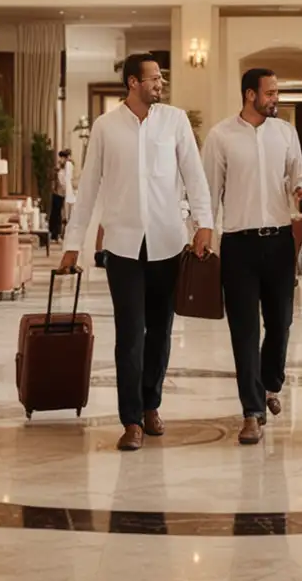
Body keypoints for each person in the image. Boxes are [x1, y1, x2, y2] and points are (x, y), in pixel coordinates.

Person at [59, 54, 214, 452]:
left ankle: (151, 405)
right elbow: (89, 186)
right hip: (123, 247)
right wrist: (73, 245)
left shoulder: (174, 120)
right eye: (153, 78)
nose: (160, 83)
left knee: (160, 331)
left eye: (160, 77)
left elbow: (194, 176)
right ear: (133, 83)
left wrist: (204, 225)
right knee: (130, 333)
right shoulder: (106, 127)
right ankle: (130, 421)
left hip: (166, 242)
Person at [203, 68, 302, 446]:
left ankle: (270, 384)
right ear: (250, 94)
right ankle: (252, 412)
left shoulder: (285, 133)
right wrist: (202, 235)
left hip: (280, 241)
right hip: (238, 245)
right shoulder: (220, 136)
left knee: (281, 323)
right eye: (270, 92)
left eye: (277, 91)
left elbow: (297, 173)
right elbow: (208, 193)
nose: (275, 98)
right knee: (245, 332)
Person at [49, 148, 74, 242]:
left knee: (61, 214)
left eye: (62, 157)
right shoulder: (59, 168)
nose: (61, 160)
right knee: (55, 213)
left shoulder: (68, 166)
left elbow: (66, 180)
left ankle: (58, 234)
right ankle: (53, 234)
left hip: (62, 193)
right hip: (57, 193)